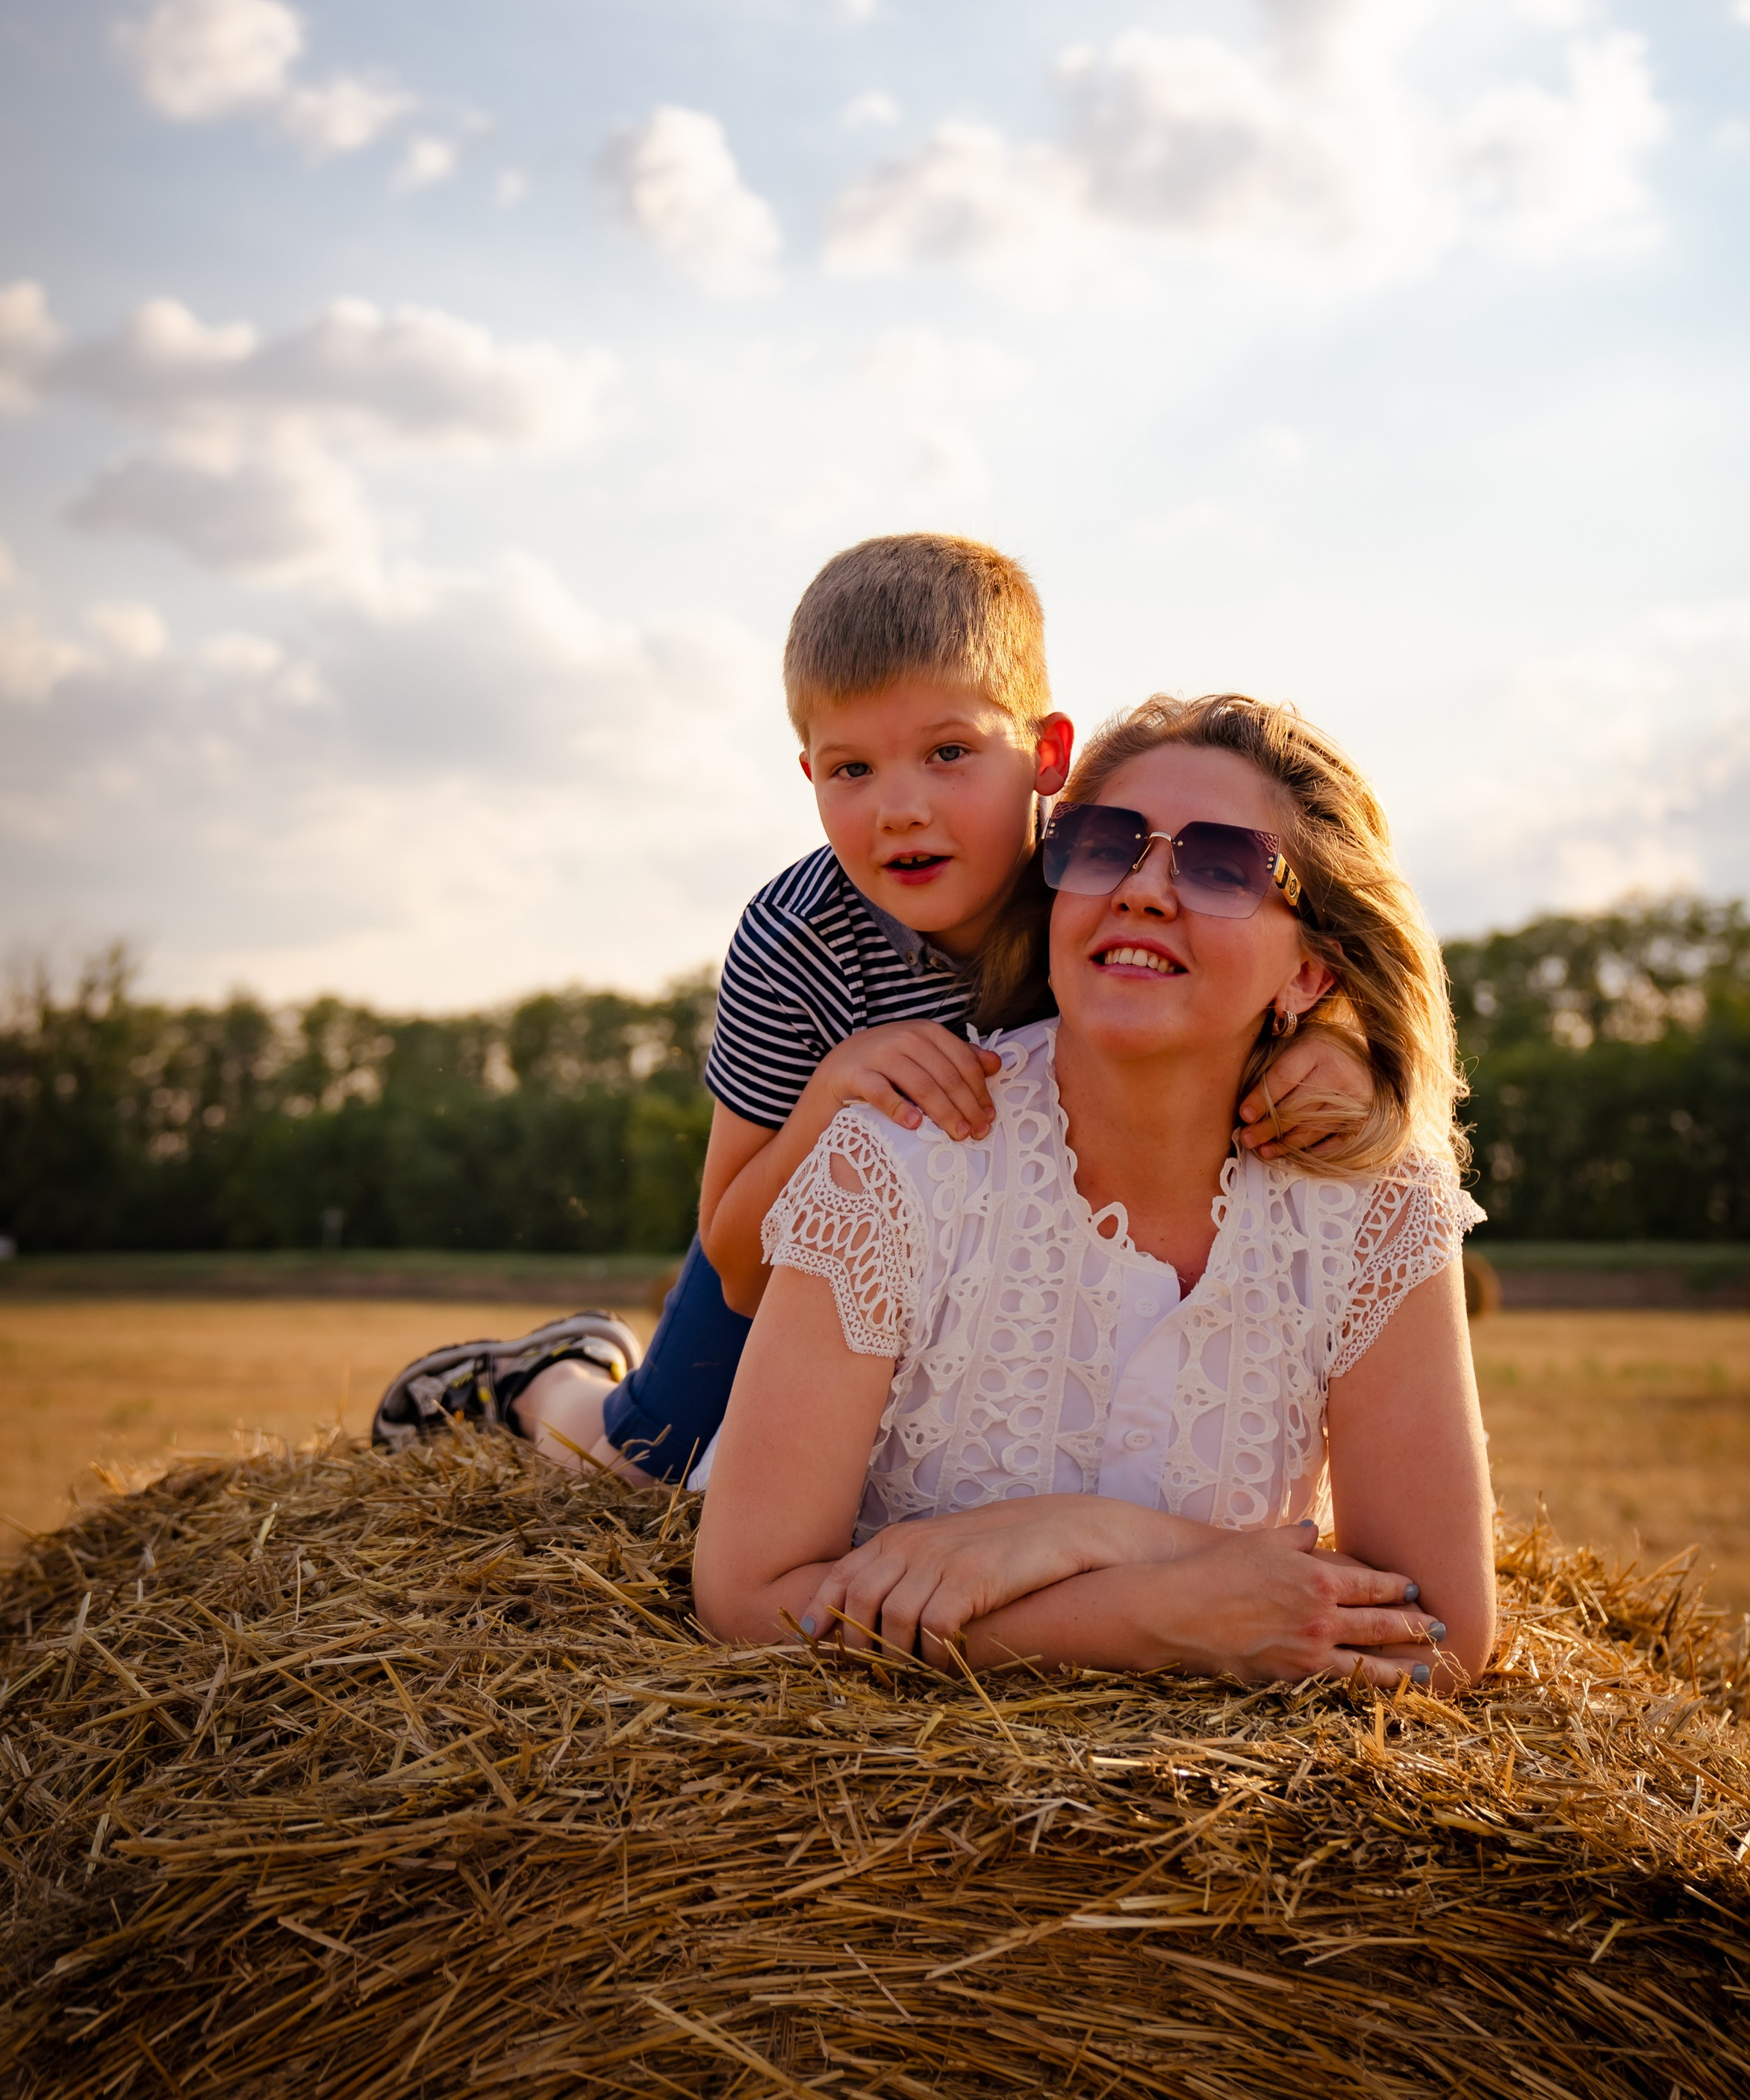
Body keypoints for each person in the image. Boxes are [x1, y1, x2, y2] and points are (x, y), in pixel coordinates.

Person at [373, 538, 1374, 1479]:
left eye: (949, 753)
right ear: (808, 776)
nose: (900, 806)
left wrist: (1331, 1049)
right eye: (852, 769)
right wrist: (831, 1096)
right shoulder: (794, 941)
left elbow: (1269, 953)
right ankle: (551, 1378)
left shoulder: (1101, 881)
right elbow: (733, 1259)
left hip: (1007, 1254)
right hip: (808, 1234)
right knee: (648, 1464)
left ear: (1050, 754)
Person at [691, 692, 1495, 1688]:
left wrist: (1079, 1535)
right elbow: (746, 1592)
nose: (1145, 890)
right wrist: (1151, 1616)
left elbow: (1438, 1633)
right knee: (620, 1427)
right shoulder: (894, 1159)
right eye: (1107, 844)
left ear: (1312, 977)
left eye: (1221, 866)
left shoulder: (1374, 1202)